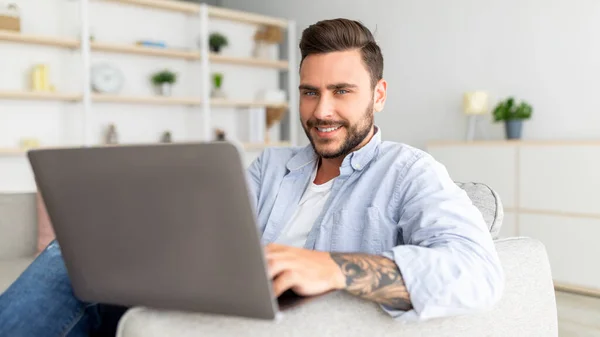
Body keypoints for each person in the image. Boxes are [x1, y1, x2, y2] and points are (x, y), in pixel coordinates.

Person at [0, 18, 504, 336]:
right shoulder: (271, 166)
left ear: (378, 95)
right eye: (309, 92)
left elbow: (479, 273)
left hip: (287, 322)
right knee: (74, 253)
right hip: (217, 304)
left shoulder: (409, 172)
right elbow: (213, 234)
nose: (321, 110)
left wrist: (334, 268)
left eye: (342, 91)